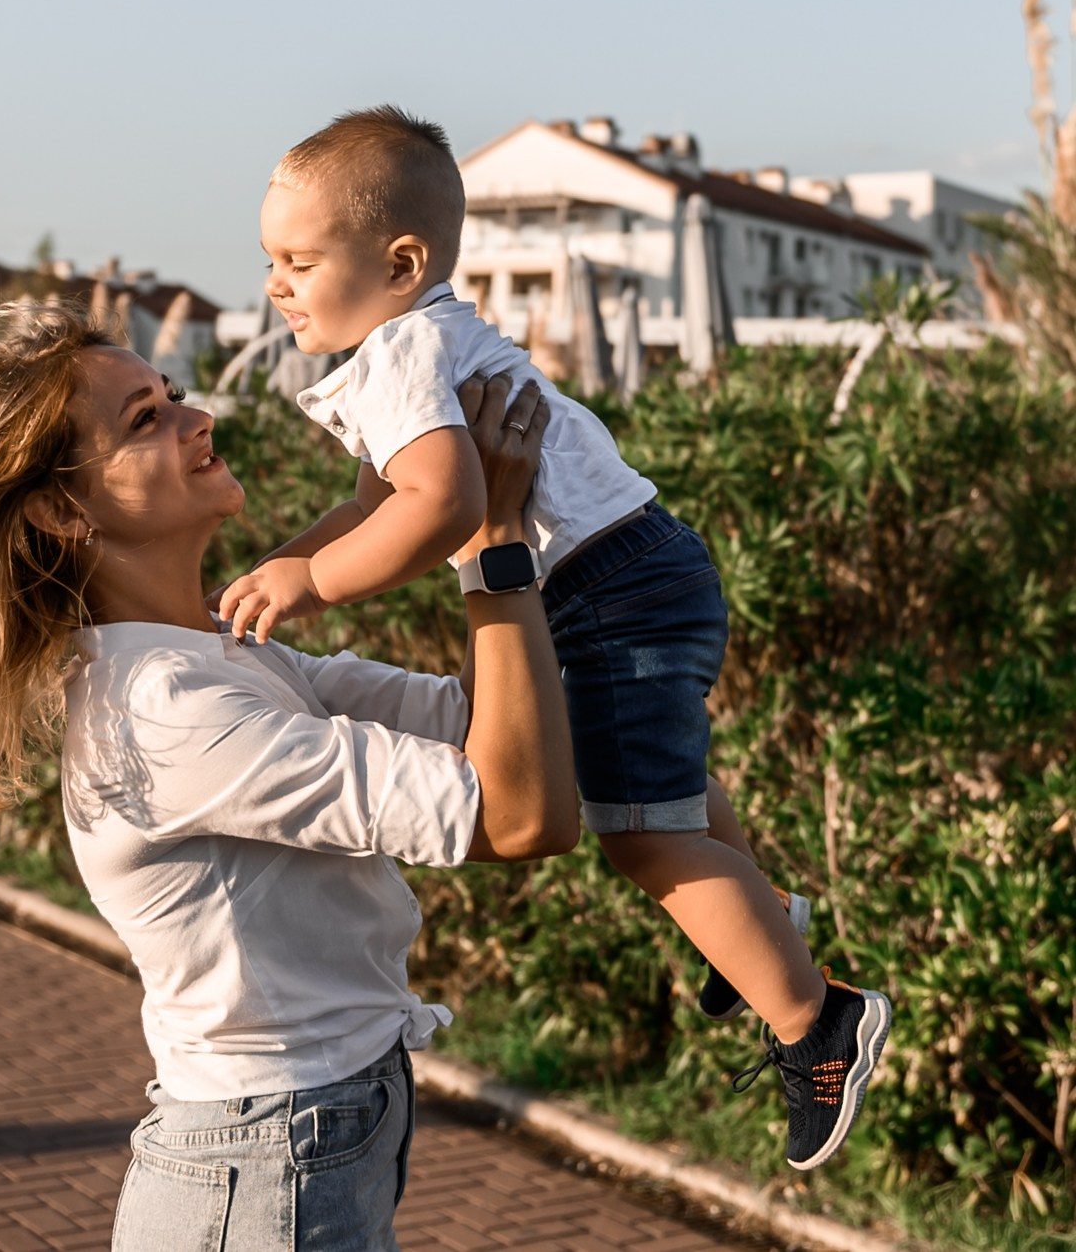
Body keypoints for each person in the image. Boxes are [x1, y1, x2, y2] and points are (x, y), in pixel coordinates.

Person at [0, 301, 580, 1249]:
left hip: (304, 1135)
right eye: (145, 419)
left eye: (170, 394)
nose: (196, 415)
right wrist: (487, 540)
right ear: (62, 508)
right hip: (265, 1165)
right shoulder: (163, 706)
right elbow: (518, 814)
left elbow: (500, 733)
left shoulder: (226, 651)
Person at [219, 104, 891, 1171]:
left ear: (398, 262)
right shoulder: (424, 337)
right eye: (271, 261)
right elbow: (370, 503)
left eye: (299, 261)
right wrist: (283, 562)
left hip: (604, 586)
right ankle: (766, 917)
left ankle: (816, 1019)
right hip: (636, 563)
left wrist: (310, 586)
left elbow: (436, 505)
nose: (276, 285)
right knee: (658, 781)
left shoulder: (400, 355)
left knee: (631, 829)